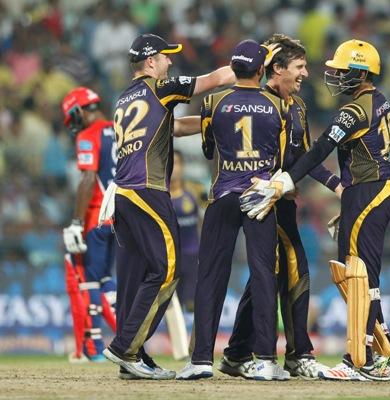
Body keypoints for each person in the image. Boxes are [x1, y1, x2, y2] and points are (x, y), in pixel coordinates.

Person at [240, 39, 390, 381]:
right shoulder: (377, 101)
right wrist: (340, 189)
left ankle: (360, 358)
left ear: (359, 73)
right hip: (369, 190)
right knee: (360, 275)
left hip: (367, 191)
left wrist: (281, 182)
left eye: (343, 71)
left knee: (356, 275)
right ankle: (386, 350)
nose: (336, 76)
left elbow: (317, 152)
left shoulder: (353, 110)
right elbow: (312, 155)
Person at [100, 33, 235, 380]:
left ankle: (135, 358)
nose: (170, 62)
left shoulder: (123, 99)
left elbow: (170, 128)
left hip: (123, 195)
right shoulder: (160, 88)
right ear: (150, 62)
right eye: (165, 57)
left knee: (135, 278)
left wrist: (209, 124)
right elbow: (218, 79)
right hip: (149, 190)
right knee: (168, 271)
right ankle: (125, 346)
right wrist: (253, 64)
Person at [219, 34, 339, 380]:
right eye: (299, 67)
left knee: (265, 279)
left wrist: (337, 186)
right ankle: (298, 353)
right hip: (260, 202)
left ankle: (235, 353)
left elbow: (303, 157)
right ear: (277, 69)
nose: (305, 74)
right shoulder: (256, 101)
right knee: (293, 270)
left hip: (284, 202)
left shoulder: (298, 106)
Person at [177, 39, 290, 382]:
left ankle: (200, 360)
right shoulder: (278, 105)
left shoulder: (213, 101)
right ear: (261, 70)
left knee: (211, 275)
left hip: (223, 192)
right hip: (260, 195)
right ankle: (267, 359)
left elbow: (209, 148)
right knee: (262, 275)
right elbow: (282, 158)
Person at [61, 86, 117, 362]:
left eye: (73, 118)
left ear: (78, 110)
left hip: (96, 217)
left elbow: (87, 179)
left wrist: (75, 222)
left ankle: (93, 349)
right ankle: (127, 340)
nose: (74, 124)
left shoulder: (87, 135)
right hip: (120, 218)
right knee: (108, 281)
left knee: (90, 282)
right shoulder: (120, 128)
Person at [169, 150, 200, 310]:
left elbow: (203, 221)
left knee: (191, 305)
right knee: (172, 307)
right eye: (171, 163)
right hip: (169, 259)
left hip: (191, 256)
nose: (174, 168)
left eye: (177, 163)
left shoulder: (193, 192)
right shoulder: (160, 195)